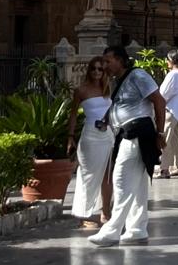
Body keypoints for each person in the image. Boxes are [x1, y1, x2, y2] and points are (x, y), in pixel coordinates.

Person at [89, 46, 166, 247]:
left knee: (121, 179)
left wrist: (160, 132)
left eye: (108, 61)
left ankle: (111, 231)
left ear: (121, 60)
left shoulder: (138, 76)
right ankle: (137, 230)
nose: (105, 66)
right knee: (137, 184)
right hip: (126, 134)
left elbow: (159, 101)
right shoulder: (119, 81)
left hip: (136, 133)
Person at [67, 56, 114, 228]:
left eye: (100, 69)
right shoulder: (81, 90)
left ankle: (105, 212)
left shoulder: (108, 89)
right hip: (90, 137)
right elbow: (73, 114)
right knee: (88, 175)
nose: (96, 72)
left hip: (107, 135)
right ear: (89, 70)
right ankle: (83, 214)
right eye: (94, 68)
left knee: (107, 175)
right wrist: (70, 137)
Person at [158, 51, 178, 178]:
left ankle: (164, 169)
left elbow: (163, 93)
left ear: (172, 60)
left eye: (168, 59)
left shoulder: (173, 75)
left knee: (165, 139)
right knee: (175, 140)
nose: (167, 62)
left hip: (170, 111)